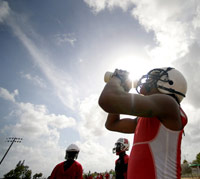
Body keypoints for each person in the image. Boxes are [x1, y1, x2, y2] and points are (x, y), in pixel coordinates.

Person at [98, 67, 188, 179]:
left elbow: (108, 100)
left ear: (170, 83)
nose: (147, 80)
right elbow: (112, 124)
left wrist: (118, 77)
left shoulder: (168, 104)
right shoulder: (145, 117)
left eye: (153, 78)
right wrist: (123, 90)